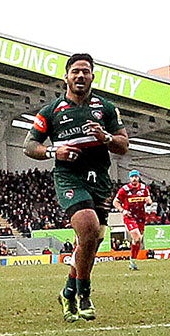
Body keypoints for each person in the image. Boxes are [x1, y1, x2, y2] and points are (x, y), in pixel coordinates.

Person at [23, 53, 126, 321]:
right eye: (75, 72)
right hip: (70, 178)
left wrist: (106, 137)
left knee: (92, 241)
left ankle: (68, 291)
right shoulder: (50, 112)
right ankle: (84, 294)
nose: (80, 76)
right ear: (66, 77)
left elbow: (123, 146)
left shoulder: (105, 108)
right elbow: (29, 145)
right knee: (88, 229)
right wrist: (52, 152)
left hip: (100, 180)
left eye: (86, 71)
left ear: (93, 76)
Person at [114, 169, 153, 270]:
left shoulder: (144, 188)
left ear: (139, 177)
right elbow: (115, 202)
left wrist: (148, 201)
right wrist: (123, 211)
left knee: (138, 241)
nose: (134, 178)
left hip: (141, 217)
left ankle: (133, 260)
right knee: (137, 237)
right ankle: (132, 260)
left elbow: (149, 199)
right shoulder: (124, 189)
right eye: (132, 177)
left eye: (136, 176)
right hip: (130, 216)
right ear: (130, 178)